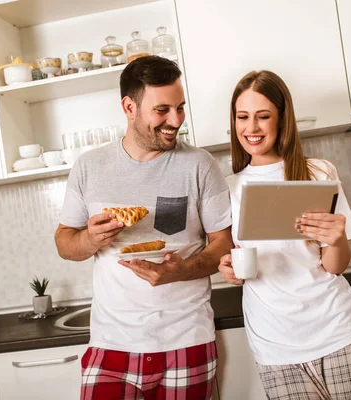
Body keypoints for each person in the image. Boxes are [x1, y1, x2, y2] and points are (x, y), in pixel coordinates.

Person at [55, 55, 233, 400]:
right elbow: (65, 243)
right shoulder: (89, 167)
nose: (176, 120)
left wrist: (181, 271)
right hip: (111, 342)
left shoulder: (200, 165)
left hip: (186, 336)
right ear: (129, 106)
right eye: (162, 110)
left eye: (180, 108)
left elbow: (223, 244)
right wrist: (90, 238)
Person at [218, 70, 351, 399]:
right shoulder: (227, 188)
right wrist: (228, 269)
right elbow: (229, 259)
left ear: (282, 119)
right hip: (274, 345)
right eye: (243, 117)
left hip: (335, 329)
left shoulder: (318, 173)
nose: (252, 128)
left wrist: (336, 239)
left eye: (263, 116)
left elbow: (335, 266)